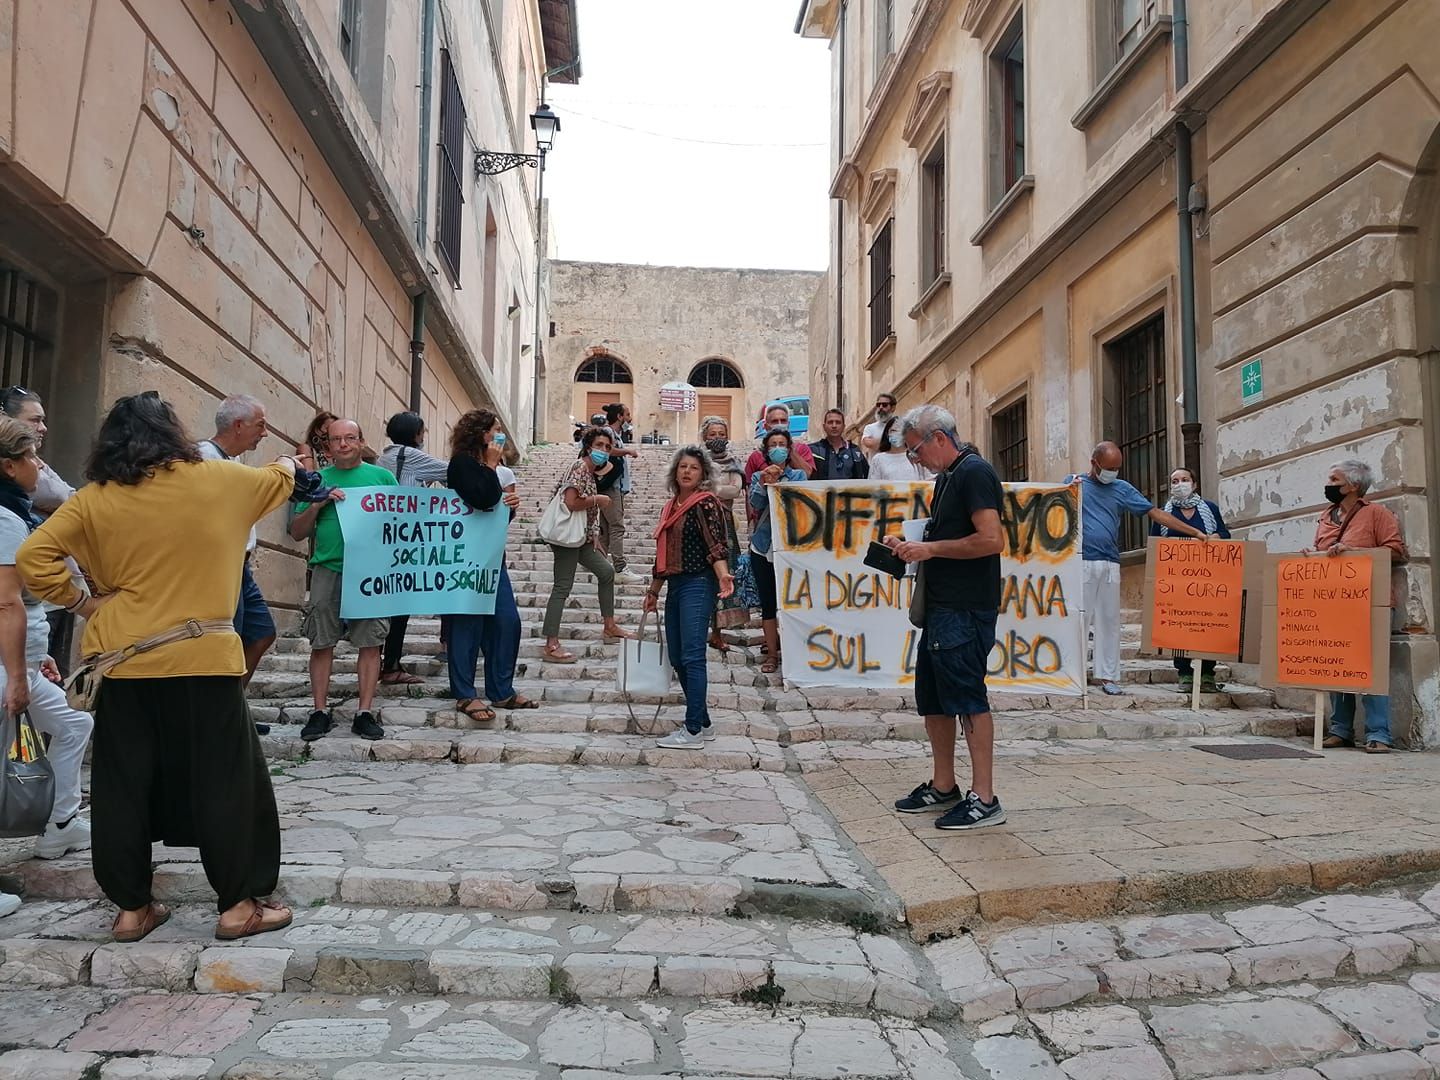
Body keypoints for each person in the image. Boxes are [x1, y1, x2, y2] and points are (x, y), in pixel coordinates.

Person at [18, 391, 298, 943]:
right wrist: (291, 463)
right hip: (205, 658)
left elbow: (33, 560)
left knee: (123, 785)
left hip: (124, 660)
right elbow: (280, 479)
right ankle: (238, 906)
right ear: (173, 434)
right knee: (225, 781)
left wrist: (82, 602)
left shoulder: (94, 499)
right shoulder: (221, 483)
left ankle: (130, 910)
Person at [882, 406, 1006, 830]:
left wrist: (930, 550)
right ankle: (944, 784)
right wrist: (911, 545)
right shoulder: (948, 479)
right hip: (941, 606)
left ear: (938, 438)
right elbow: (950, 536)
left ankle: (985, 798)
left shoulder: (974, 473)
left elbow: (991, 539)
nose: (915, 459)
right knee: (934, 698)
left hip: (965, 606)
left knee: (968, 696)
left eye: (915, 449)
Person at [0, 417, 94, 860]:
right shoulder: (5, 519)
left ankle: (61, 823)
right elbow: (7, 602)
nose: (39, 464)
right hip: (5, 667)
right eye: (31, 456)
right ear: (9, 466)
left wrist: (33, 661)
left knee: (75, 723)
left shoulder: (16, 511)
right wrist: (18, 674)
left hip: (22, 662)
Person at [1073, 441, 1211, 696]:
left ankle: (1107, 677)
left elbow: (1155, 513)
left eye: (1117, 468)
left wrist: (1195, 533)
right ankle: (1075, 675)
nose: (1113, 472)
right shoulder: (1075, 485)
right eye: (1109, 468)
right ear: (1094, 464)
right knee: (1079, 619)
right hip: (1080, 562)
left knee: (1110, 621)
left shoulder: (1121, 488)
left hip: (1111, 562)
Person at [289, 419, 396, 743]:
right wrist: (319, 501)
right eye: (336, 440)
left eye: (350, 438)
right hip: (327, 569)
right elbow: (296, 531)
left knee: (371, 641)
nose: (343, 444)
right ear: (327, 446)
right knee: (321, 641)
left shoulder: (383, 478)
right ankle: (319, 711)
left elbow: (404, 521)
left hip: (370, 570)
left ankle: (364, 712)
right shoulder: (316, 480)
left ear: (362, 441)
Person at [1312, 459, 1407, 753]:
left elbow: (1396, 550)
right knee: (1336, 665)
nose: (1329, 486)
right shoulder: (1326, 516)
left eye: (1335, 480)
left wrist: (1356, 552)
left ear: (1353, 486)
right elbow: (1322, 554)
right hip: (1334, 602)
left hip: (1370, 601)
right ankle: (1341, 729)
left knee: (1370, 667)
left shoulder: (1377, 513)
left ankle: (1379, 733)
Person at [644, 446, 736, 749]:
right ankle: (704, 722)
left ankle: (693, 728)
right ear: (675, 471)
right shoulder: (669, 507)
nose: (687, 471)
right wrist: (653, 591)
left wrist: (722, 574)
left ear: (703, 474)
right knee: (677, 656)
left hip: (698, 583)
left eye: (693, 468)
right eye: (683, 466)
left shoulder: (706, 503)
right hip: (674, 584)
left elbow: (716, 544)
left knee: (693, 655)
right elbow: (663, 552)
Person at [447, 410, 535, 719]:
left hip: (491, 557)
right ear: (481, 434)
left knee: (506, 621)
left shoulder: (491, 468)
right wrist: (492, 466)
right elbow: (481, 498)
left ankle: (501, 691)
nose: (500, 435)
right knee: (467, 624)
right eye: (495, 429)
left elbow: (495, 513)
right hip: (463, 558)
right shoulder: (462, 464)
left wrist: (510, 507)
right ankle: (465, 694)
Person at [197, 396, 278, 698]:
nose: (265, 433)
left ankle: (230, 706)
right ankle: (221, 713)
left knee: (261, 632)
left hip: (239, 567)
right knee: (228, 643)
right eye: (261, 425)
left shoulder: (230, 460)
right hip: (220, 568)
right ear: (239, 425)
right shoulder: (205, 458)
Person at [1, 387, 84, 674]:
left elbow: (71, 498)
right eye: (35, 420)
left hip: (52, 591)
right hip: (36, 595)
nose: (43, 428)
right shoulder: (9, 514)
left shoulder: (29, 467)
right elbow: (66, 499)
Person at [541, 427, 633, 663]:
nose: (603, 450)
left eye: (607, 447)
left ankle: (609, 626)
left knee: (606, 572)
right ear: (588, 446)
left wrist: (593, 534)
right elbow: (571, 502)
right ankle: (551, 644)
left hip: (580, 536)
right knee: (562, 586)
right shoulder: (581, 468)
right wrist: (598, 499)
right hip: (566, 537)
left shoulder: (590, 472)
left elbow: (585, 510)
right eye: (599, 445)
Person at [375, 411, 450, 688]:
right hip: (406, 540)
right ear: (415, 434)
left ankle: (383, 661)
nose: (423, 437)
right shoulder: (411, 456)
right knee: (400, 606)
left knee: (386, 603)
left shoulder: (384, 457)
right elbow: (450, 471)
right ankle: (391, 665)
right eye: (422, 432)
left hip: (384, 538)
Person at [1150, 466, 1231, 694]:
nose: (1180, 484)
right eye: (1175, 481)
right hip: (1176, 582)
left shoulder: (1210, 509)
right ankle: (1184, 672)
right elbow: (1155, 543)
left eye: (1185, 479)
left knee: (1208, 626)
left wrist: (1217, 537)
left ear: (1194, 484)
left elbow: (1225, 534)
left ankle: (1207, 673)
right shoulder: (1164, 513)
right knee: (1180, 627)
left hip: (1208, 580)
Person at [748, 428, 807, 674]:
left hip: (791, 548)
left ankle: (795, 654)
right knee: (768, 604)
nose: (778, 448)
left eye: (782, 443)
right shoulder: (758, 477)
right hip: (763, 547)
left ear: (789, 448)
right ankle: (772, 654)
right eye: (773, 444)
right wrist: (764, 484)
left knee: (792, 603)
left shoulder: (799, 476)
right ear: (767, 450)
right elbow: (755, 505)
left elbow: (801, 506)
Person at [701, 416, 748, 651]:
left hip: (725, 524)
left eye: (721, 434)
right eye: (712, 434)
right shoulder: (697, 460)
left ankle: (717, 632)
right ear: (704, 437)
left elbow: (736, 490)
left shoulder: (734, 462)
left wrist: (710, 489)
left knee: (724, 574)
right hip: (700, 523)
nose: (717, 438)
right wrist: (717, 491)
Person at [599, 403, 643, 584]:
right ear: (619, 417)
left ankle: (599, 564)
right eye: (627, 414)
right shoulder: (609, 433)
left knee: (606, 528)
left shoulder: (614, 434)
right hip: (611, 487)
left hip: (612, 487)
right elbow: (607, 451)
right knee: (617, 526)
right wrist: (627, 451)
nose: (629, 418)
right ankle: (619, 567)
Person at [744, 403, 816, 486]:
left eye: (783, 421)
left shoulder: (802, 449)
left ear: (788, 424)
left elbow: (807, 474)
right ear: (766, 426)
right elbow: (749, 487)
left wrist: (789, 449)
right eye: (774, 421)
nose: (779, 424)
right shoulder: (756, 456)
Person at [867, 415, 934, 482]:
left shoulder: (916, 456)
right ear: (887, 433)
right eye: (893, 431)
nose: (895, 434)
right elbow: (873, 486)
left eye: (899, 431)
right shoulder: (878, 460)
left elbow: (930, 480)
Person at [809, 409, 869, 481]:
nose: (834, 426)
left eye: (838, 422)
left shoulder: (854, 451)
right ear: (824, 426)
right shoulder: (814, 451)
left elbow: (866, 475)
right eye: (830, 422)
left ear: (843, 426)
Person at [861, 391, 898, 456]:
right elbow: (868, 443)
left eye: (884, 405)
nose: (880, 407)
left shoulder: (901, 426)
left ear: (893, 408)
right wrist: (894, 442)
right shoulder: (870, 428)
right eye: (878, 405)